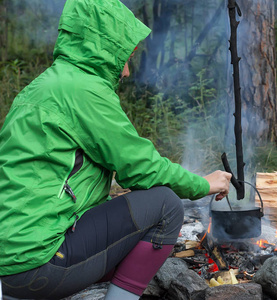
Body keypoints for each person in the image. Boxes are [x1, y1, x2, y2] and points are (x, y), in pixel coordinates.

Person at [0, 0, 232, 299]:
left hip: (10, 258)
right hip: (36, 266)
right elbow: (141, 170)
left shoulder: (40, 87)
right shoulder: (84, 92)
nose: (125, 71)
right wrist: (203, 184)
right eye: (124, 57)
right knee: (165, 205)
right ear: (104, 48)